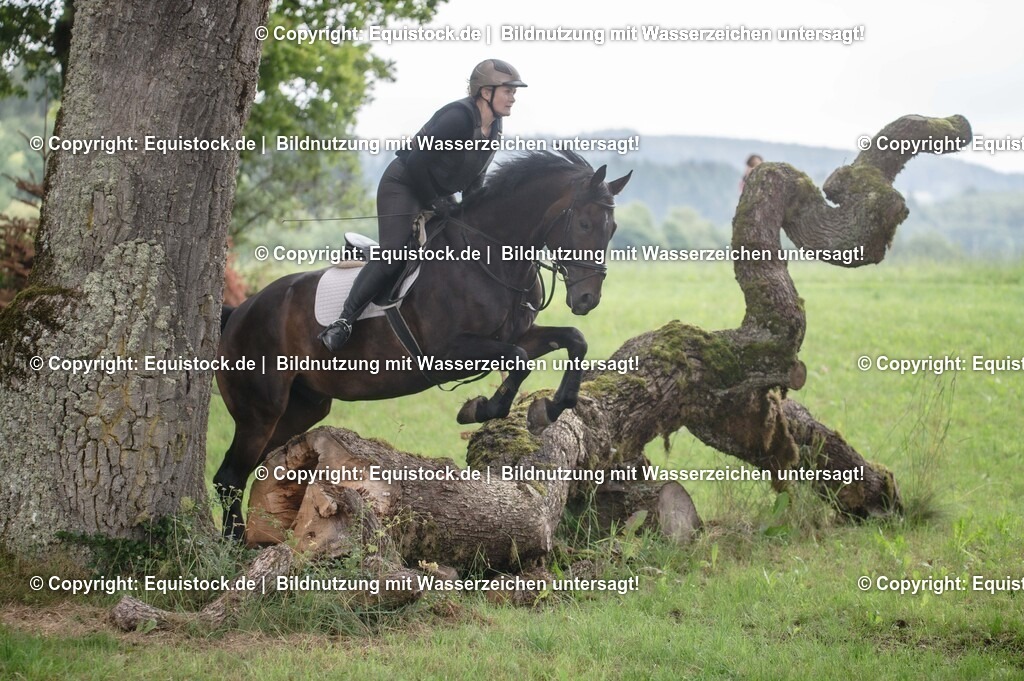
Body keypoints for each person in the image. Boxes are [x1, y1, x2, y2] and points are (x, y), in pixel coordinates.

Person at [318, 59, 527, 352]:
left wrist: (474, 217)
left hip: (438, 193)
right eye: (508, 91)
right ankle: (342, 322)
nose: (513, 97)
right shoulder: (457, 117)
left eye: (514, 92)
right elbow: (416, 162)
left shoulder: (495, 129)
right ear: (485, 92)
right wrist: (435, 201)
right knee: (394, 253)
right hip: (404, 184)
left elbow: (474, 181)